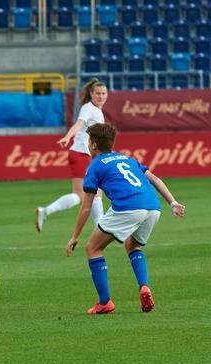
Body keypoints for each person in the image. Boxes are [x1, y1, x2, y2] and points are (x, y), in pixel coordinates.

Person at [66, 123, 186, 315]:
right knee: (132, 245)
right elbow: (154, 178)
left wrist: (75, 236)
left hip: (128, 208)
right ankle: (144, 286)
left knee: (93, 248)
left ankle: (105, 302)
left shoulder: (95, 165)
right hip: (153, 207)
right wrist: (173, 203)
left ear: (94, 144)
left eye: (89, 141)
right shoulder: (127, 158)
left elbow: (86, 206)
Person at [36, 78, 108, 232]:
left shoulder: (95, 110)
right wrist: (68, 136)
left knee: (89, 194)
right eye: (98, 93)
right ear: (91, 94)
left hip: (80, 154)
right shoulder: (89, 109)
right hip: (82, 154)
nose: (101, 96)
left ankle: (45, 211)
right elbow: (79, 124)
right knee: (91, 194)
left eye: (103, 93)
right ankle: (100, 230)